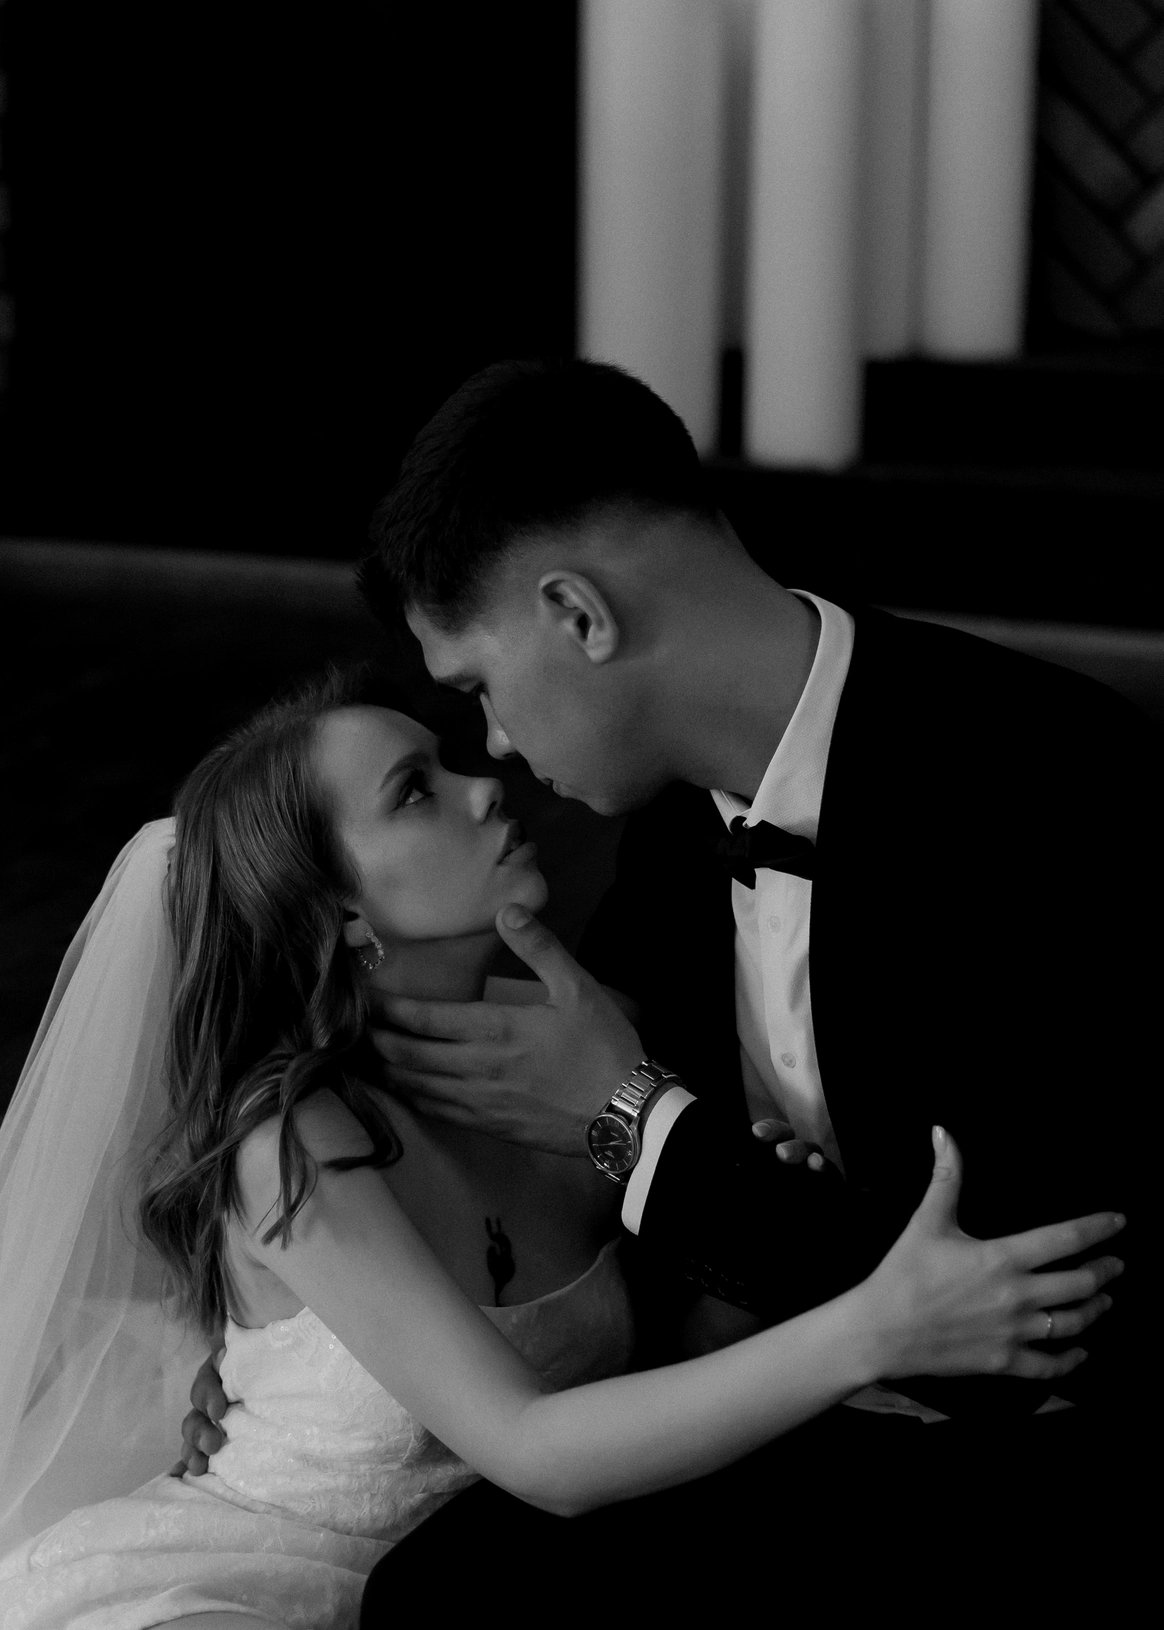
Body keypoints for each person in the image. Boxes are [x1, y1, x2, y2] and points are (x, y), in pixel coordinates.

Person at [0, 671, 1123, 1630]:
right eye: (416, 791)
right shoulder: (297, 1140)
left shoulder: (576, 1064)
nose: (486, 785)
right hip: (232, 1586)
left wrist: (738, 1277)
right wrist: (878, 1324)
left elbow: (638, 1391)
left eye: (447, 761)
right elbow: (531, 1446)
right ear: (341, 915)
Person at [331, 357, 1156, 1611]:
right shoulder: (674, 823)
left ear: (579, 614)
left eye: (479, 685)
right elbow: (557, 1098)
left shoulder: (1056, 787)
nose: (492, 740)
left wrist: (633, 1120)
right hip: (797, 1409)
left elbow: (1023, 1323)